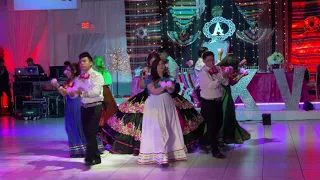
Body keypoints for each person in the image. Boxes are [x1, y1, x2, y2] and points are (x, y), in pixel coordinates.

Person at [100, 52, 204, 156]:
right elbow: (142, 86)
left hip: (166, 97)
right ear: (149, 62)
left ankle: (173, 145)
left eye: (158, 61)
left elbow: (172, 86)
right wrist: (149, 81)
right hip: (149, 96)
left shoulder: (164, 71)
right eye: (153, 62)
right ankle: (147, 146)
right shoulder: (146, 72)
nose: (156, 64)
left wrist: (166, 84)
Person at [138, 57, 187, 166]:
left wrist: (169, 87)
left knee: (168, 127)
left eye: (162, 64)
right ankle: (161, 156)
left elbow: (172, 90)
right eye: (159, 64)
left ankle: (170, 153)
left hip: (167, 103)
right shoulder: (150, 78)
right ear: (155, 66)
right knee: (158, 129)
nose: (161, 66)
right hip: (155, 104)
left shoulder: (168, 77)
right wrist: (162, 86)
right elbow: (153, 91)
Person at [51, 63, 104, 158]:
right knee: (70, 126)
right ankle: (78, 148)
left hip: (78, 104)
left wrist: (66, 90)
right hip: (70, 105)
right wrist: (57, 85)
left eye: (68, 70)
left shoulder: (79, 80)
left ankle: (88, 148)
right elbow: (64, 94)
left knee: (80, 125)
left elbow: (73, 94)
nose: (65, 72)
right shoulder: (68, 82)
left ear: (74, 71)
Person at [69, 52, 104, 166]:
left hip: (95, 106)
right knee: (86, 133)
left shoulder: (97, 76)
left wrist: (81, 92)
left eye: (84, 61)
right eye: (80, 61)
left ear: (91, 63)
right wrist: (71, 92)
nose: (82, 63)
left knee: (91, 132)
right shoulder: (79, 77)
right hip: (84, 107)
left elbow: (96, 92)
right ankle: (96, 157)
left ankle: (89, 158)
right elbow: (75, 91)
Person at [199, 51, 231, 159]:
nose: (211, 62)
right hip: (208, 102)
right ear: (204, 61)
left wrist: (225, 76)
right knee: (212, 126)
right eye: (208, 60)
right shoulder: (203, 72)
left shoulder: (217, 69)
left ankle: (204, 141)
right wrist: (221, 78)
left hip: (218, 101)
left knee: (218, 124)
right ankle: (215, 150)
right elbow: (211, 85)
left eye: (212, 59)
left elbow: (226, 83)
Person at [216, 50, 251, 145]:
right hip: (225, 93)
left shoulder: (218, 67)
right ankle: (222, 137)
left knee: (218, 115)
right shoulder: (227, 70)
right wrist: (242, 75)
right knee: (226, 114)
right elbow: (232, 82)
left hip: (215, 93)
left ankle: (218, 137)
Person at [93, 56, 118, 126]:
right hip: (100, 92)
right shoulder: (95, 73)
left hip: (104, 92)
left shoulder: (105, 73)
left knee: (107, 108)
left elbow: (108, 82)